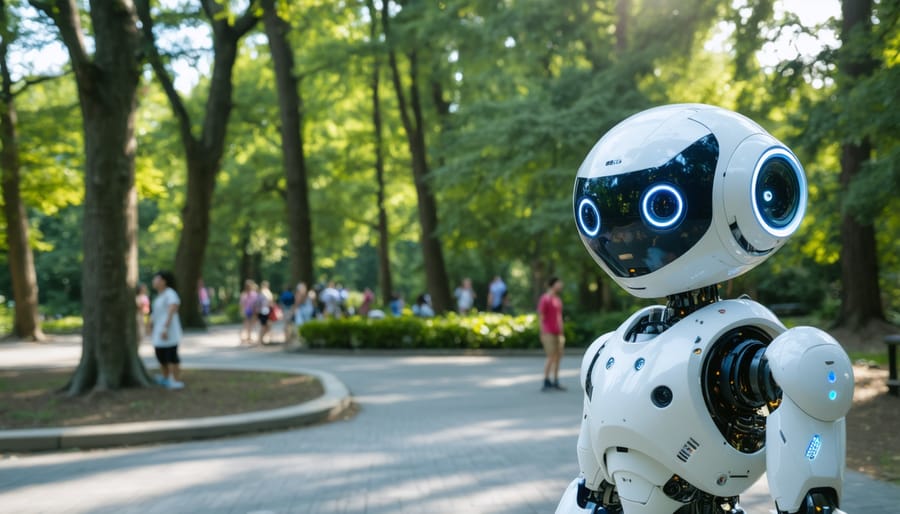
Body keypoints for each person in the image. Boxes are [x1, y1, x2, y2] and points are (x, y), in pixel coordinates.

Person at [149, 271, 184, 390]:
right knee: (160, 355)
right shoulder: (159, 296)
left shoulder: (170, 293)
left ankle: (176, 380)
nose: (154, 281)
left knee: (171, 355)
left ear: (164, 281)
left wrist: (165, 328)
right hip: (159, 331)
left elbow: (172, 309)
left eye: (157, 279)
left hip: (169, 331)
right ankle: (166, 378)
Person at [538, 276, 565, 391]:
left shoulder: (557, 299)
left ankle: (556, 380)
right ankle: (546, 380)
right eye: (559, 283)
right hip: (548, 332)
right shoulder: (545, 298)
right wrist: (542, 333)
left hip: (558, 333)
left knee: (558, 357)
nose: (561, 285)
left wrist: (562, 331)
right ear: (553, 284)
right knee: (551, 356)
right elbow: (541, 316)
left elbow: (559, 316)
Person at [239, 280, 258, 344]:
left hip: (249, 310)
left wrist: (242, 311)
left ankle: (248, 336)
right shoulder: (248, 294)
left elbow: (241, 304)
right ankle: (247, 337)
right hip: (249, 310)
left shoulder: (246, 294)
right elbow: (242, 304)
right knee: (248, 324)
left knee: (248, 324)